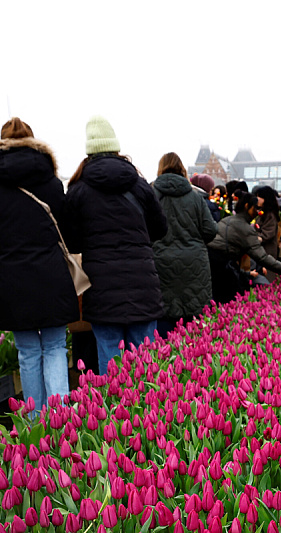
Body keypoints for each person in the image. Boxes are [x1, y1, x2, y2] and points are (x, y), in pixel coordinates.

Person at [64, 116, 167, 375]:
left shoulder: (78, 189)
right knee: (145, 366)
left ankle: (113, 414)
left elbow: (72, 241)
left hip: (102, 288)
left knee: (110, 364)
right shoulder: (139, 183)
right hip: (142, 283)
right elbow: (160, 229)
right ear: (116, 146)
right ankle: (147, 414)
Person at [0, 118, 76, 414]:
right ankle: (62, 420)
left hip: (11, 277)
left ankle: (35, 420)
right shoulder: (51, 182)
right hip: (50, 273)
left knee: (28, 352)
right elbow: (66, 228)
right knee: (56, 347)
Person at [152, 154, 218, 337]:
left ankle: (163, 360)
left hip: (160, 261)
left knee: (164, 315)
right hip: (194, 262)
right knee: (194, 318)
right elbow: (211, 230)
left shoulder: (152, 194)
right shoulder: (195, 196)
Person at [207, 192, 281, 303]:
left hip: (209, 263)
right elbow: (261, 257)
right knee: (230, 300)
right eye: (255, 208)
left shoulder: (227, 220)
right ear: (247, 206)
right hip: (223, 267)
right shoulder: (245, 229)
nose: (258, 212)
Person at [254, 185, 281, 282]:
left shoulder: (270, 215)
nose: (257, 199)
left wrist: (254, 238)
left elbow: (267, 234)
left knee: (266, 280)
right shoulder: (262, 214)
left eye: (260, 197)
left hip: (267, 252)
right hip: (261, 252)